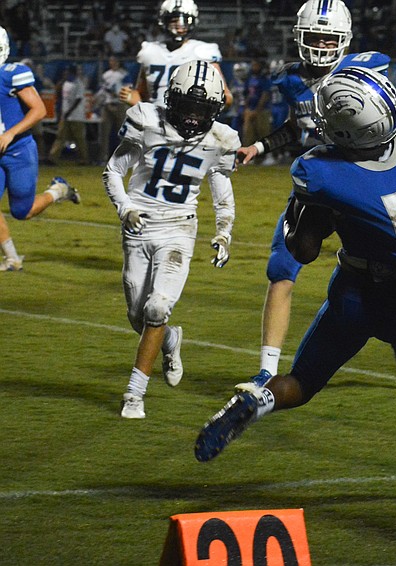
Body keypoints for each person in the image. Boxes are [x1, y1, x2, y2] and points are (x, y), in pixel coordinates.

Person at [195, 67, 396, 506]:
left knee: (302, 383)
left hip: (353, 294)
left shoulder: (322, 172)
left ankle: (261, 400)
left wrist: (300, 215)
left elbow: (304, 250)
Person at [236, 0, 396, 375]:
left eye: (328, 38)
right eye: (314, 37)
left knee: (393, 267)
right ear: (300, 38)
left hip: (364, 184)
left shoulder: (364, 72)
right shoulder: (290, 80)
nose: (320, 46)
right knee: (281, 267)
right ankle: (266, 371)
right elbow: (296, 126)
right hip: (317, 185)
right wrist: (259, 146)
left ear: (344, 40)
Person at [103, 60, 238, 419]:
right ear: (171, 99)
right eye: (188, 107)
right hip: (139, 224)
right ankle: (171, 340)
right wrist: (125, 208)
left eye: (202, 109)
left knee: (157, 308)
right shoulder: (146, 121)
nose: (194, 117)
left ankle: (135, 394)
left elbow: (222, 194)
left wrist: (223, 232)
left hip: (179, 227)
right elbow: (114, 171)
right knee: (137, 316)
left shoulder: (220, 140)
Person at [0, 27, 79, 272]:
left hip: (18, 151)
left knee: (22, 212)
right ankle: (12, 258)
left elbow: (39, 110)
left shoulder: (11, 74)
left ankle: (58, 191)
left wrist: (11, 132)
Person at [118, 0, 232, 110]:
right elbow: (142, 95)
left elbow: (226, 98)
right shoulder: (150, 51)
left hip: (190, 121)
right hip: (154, 121)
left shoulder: (203, 52)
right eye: (174, 20)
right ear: (164, 21)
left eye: (185, 20)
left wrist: (202, 103)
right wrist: (134, 99)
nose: (180, 25)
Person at [47, 64, 90, 166]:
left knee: (79, 138)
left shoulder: (78, 83)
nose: (66, 74)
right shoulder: (65, 83)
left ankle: (84, 159)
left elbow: (78, 99)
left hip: (76, 116)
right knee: (60, 136)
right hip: (65, 115)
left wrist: (69, 111)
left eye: (68, 72)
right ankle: (52, 157)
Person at [95, 56, 129, 164]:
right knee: (104, 133)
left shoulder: (123, 74)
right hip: (108, 104)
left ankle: (124, 158)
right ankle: (103, 158)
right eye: (111, 61)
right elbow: (102, 89)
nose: (112, 63)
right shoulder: (106, 74)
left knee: (123, 133)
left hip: (119, 104)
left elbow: (129, 88)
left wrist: (118, 95)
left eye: (114, 61)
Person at [240, 59, 272, 148]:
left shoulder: (264, 79)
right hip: (250, 109)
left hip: (262, 110)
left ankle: (266, 155)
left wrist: (257, 110)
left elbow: (265, 95)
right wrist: (246, 109)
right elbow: (246, 95)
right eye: (253, 65)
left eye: (256, 65)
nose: (254, 67)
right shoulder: (249, 79)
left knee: (263, 132)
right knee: (248, 133)